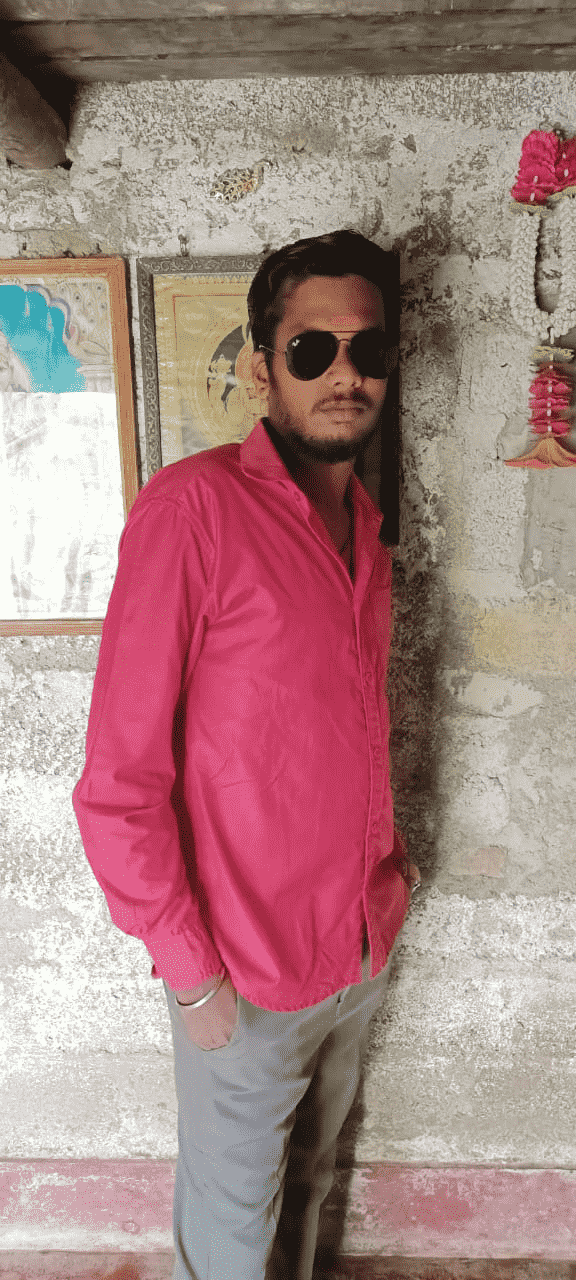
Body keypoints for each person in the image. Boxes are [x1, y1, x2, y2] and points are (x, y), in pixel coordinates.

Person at [73, 229, 420, 1280]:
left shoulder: (365, 528)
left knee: (307, 1187)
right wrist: (191, 977)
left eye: (368, 348)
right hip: (246, 968)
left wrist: (387, 897)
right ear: (264, 367)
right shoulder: (195, 510)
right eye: (313, 349)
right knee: (229, 1236)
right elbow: (118, 782)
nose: (345, 373)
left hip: (357, 945)